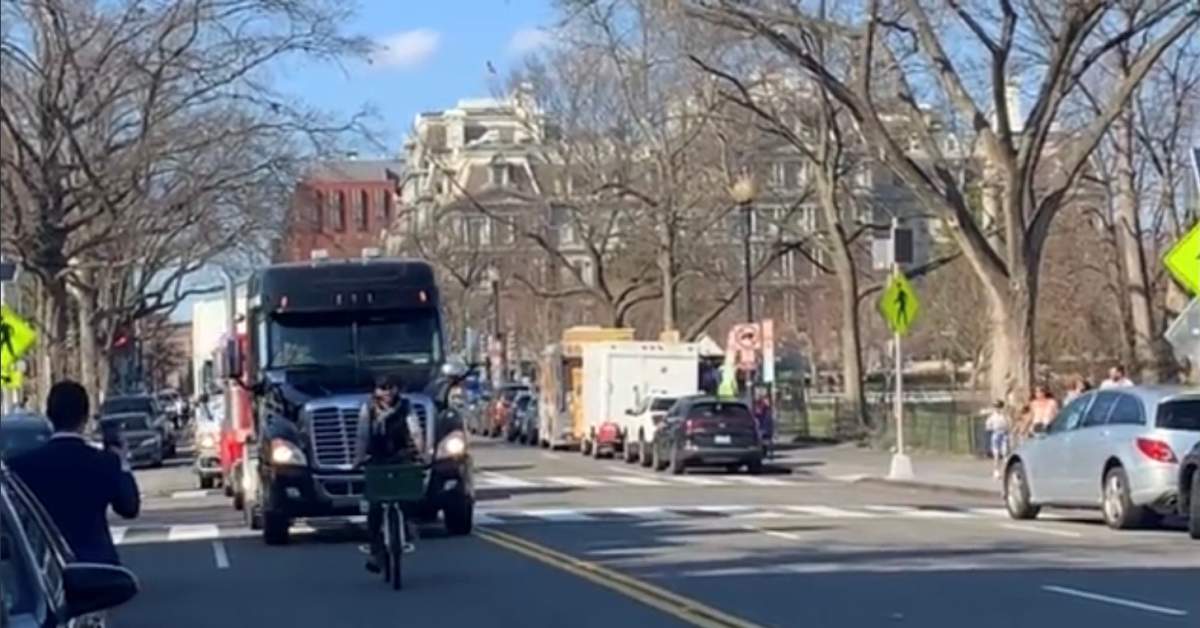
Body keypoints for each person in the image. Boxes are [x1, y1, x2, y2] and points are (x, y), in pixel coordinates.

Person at [9, 380, 140, 564]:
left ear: (49, 416)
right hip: (98, 566)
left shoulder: (21, 467)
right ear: (85, 418)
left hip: (45, 567)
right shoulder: (103, 462)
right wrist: (123, 462)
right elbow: (129, 508)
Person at [354, 376, 423, 574]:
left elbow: (416, 430)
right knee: (375, 505)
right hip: (378, 458)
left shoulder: (406, 407)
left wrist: (422, 453)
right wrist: (358, 459)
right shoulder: (368, 409)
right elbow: (362, 435)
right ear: (375, 391)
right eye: (382, 388)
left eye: (391, 387)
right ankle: (377, 552)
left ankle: (409, 523)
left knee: (408, 491)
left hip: (402, 456)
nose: (387, 392)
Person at [983, 401, 1010, 479]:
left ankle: (1005, 471)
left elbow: (1008, 425)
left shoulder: (1005, 416)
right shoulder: (992, 417)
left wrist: (1007, 433)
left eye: (999, 407)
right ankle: (996, 471)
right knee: (997, 454)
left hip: (1004, 435)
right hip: (996, 434)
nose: (997, 409)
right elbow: (988, 427)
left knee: (1005, 453)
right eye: (996, 407)